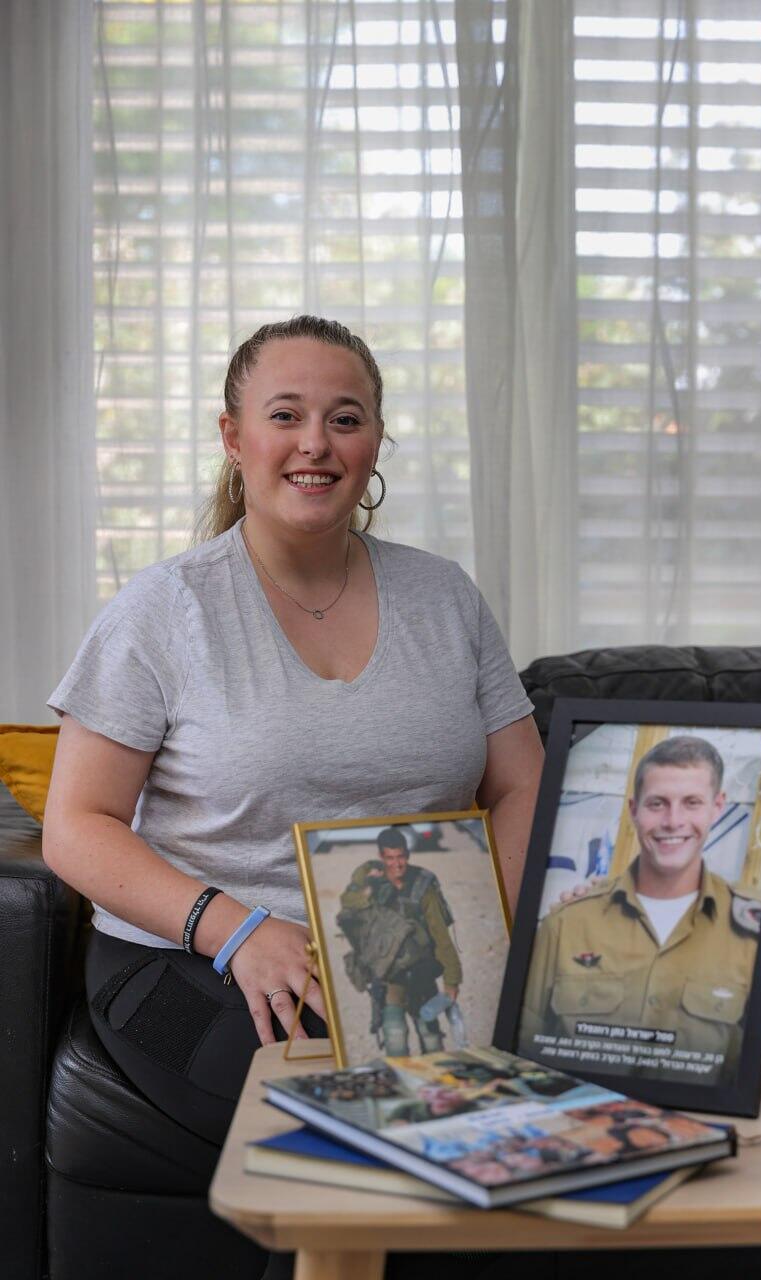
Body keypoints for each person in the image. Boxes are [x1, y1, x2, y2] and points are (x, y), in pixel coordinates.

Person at [42, 315, 544, 1166]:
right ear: (234, 438)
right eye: (285, 416)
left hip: (402, 964)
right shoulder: (163, 609)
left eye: (344, 419)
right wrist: (235, 929)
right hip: (190, 963)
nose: (316, 443)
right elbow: (76, 826)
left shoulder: (445, 598)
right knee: (387, 1125)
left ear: (374, 442)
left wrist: (481, 940)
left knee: (524, 1104)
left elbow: (521, 783)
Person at [519, 736, 760, 1082]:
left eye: (692, 803)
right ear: (633, 809)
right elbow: (526, 1052)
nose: (673, 821)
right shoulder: (566, 925)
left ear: (717, 807)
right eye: (657, 804)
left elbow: (742, 1073)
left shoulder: (752, 936)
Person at [337, 827, 461, 1055]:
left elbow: (441, 936)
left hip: (421, 972)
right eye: (390, 858)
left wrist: (451, 981)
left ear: (408, 854)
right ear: (381, 857)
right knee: (395, 1037)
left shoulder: (422, 886)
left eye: (401, 856)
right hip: (389, 976)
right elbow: (347, 903)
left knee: (431, 1038)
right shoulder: (372, 880)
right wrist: (369, 888)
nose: (397, 864)